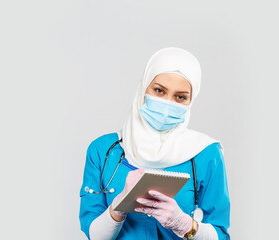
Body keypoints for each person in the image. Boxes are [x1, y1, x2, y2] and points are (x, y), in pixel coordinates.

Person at [79, 47, 230, 240]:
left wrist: (185, 225)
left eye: (180, 97)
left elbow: (221, 235)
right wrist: (118, 207)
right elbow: (95, 236)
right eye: (159, 91)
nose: (167, 103)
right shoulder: (104, 150)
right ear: (144, 89)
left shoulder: (205, 153)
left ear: (190, 101)